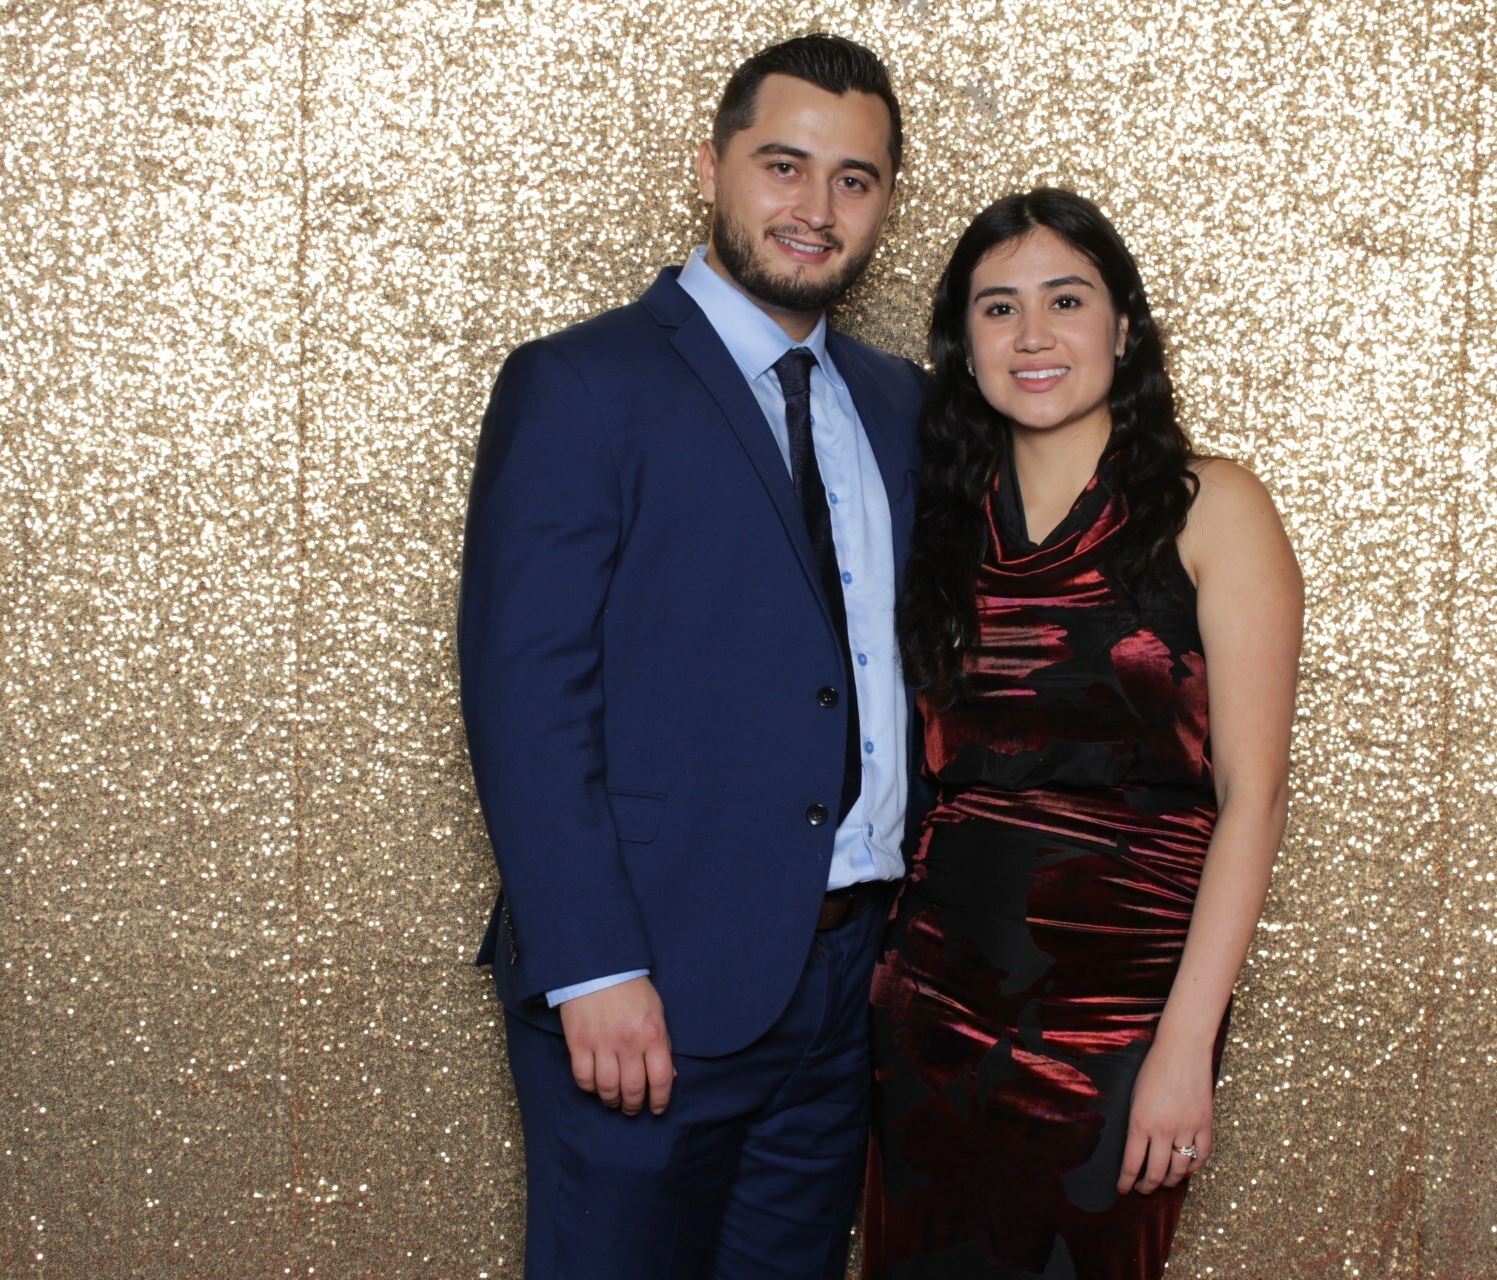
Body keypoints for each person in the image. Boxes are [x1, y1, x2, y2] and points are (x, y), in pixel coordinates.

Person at [458, 32, 924, 1280]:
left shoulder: (900, 403)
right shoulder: (581, 382)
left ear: (885, 202)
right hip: (651, 979)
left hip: (845, 981)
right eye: (784, 164)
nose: (815, 207)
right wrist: (593, 964)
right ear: (714, 166)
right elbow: (525, 691)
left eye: (855, 179)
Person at [864, 189, 1303, 1278]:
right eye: (998, 308)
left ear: (1123, 326)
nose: (1034, 335)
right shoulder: (939, 521)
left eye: (1066, 300)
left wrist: (1185, 1045)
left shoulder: (1214, 506)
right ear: (963, 346)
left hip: (1123, 1015)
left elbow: (1254, 797)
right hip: (931, 1004)